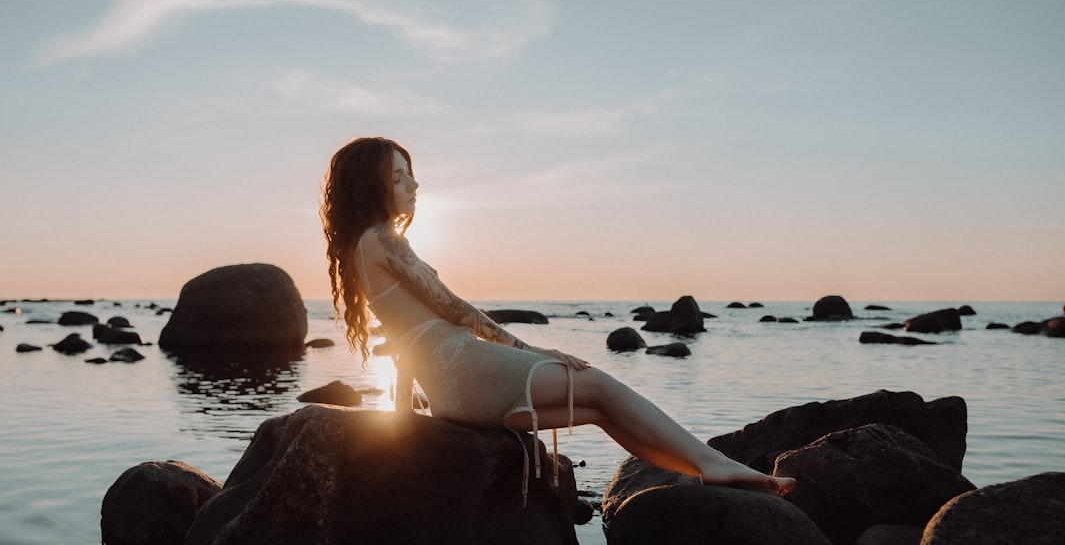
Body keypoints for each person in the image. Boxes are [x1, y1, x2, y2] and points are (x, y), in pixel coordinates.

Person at [321, 136, 794, 498]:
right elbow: (455, 309)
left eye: (411, 174)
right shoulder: (383, 239)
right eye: (401, 176)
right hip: (463, 367)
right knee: (599, 384)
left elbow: (406, 342)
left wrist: (408, 418)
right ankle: (711, 463)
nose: (414, 184)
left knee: (596, 410)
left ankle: (700, 470)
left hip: (453, 386)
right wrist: (533, 349)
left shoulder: (361, 248)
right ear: (372, 184)